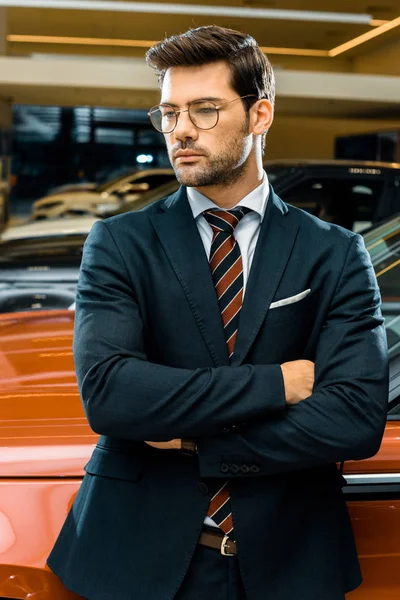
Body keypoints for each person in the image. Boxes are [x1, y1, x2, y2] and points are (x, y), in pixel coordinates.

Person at [47, 25, 388, 600]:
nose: (179, 130)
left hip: (291, 563)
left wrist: (193, 442)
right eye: (169, 113)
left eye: (204, 111)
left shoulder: (332, 252)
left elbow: (355, 418)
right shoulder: (119, 242)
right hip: (135, 561)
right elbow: (111, 394)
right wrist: (281, 381)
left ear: (260, 116)